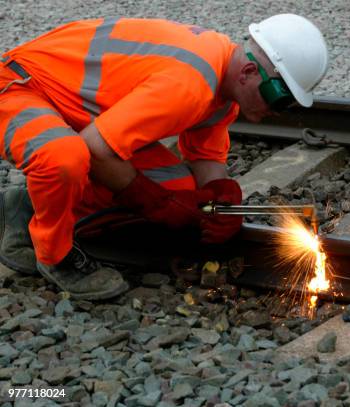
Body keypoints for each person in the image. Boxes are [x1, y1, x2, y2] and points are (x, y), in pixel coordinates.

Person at [0, 14, 329, 300]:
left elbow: (206, 157)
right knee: (66, 158)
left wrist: (222, 200)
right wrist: (152, 201)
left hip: (76, 113)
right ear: (246, 71)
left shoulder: (221, 91)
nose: (276, 112)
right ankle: (55, 256)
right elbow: (95, 151)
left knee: (178, 187)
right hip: (20, 87)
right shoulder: (189, 85)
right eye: (277, 97)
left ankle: (26, 205)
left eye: (287, 104)